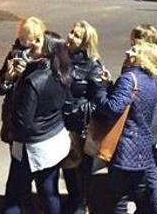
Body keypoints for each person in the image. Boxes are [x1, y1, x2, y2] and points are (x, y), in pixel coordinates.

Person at [1, 32, 72, 214]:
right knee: (49, 193)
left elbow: (23, 120)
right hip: (54, 141)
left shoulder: (34, 81)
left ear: (49, 49)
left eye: (39, 41)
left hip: (32, 146)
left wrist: (12, 133)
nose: (33, 43)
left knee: (13, 196)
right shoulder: (62, 71)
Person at [94, 29, 157, 213]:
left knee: (119, 198)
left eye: (134, 51)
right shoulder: (150, 79)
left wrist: (101, 90)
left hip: (125, 146)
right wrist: (112, 86)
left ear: (142, 58)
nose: (128, 51)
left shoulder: (129, 78)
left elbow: (113, 108)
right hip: (142, 146)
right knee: (143, 194)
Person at [61, 21, 107, 214]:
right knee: (67, 166)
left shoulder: (93, 65)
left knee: (81, 169)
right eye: (71, 32)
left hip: (80, 126)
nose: (71, 36)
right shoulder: (60, 58)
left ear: (86, 42)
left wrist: (77, 112)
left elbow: (99, 99)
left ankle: (81, 204)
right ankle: (72, 200)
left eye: (77, 35)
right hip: (60, 122)